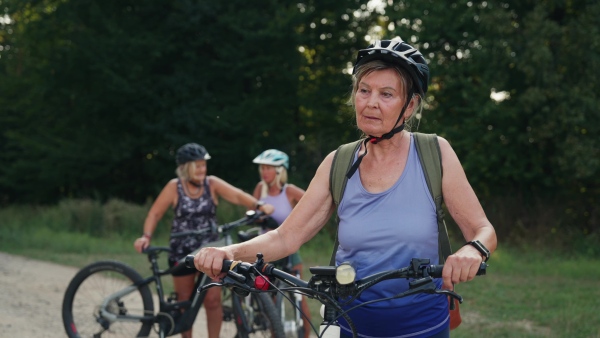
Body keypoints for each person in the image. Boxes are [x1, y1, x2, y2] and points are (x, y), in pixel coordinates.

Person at [193, 38, 498, 338]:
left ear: (411, 105)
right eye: (364, 91)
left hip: (423, 327)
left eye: (387, 94)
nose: (371, 102)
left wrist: (472, 250)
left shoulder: (435, 153)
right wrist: (227, 251)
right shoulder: (337, 163)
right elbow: (286, 237)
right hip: (351, 326)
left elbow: (483, 229)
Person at [133, 142, 274, 338]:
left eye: (203, 165)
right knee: (185, 303)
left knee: (213, 301)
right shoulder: (174, 187)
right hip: (182, 252)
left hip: (211, 249)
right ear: (185, 167)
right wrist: (146, 236)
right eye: (197, 165)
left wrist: (259, 205)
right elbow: (155, 214)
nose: (202, 169)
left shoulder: (212, 183)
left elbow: (237, 195)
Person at [251, 149, 312, 338]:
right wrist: (259, 219)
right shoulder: (259, 189)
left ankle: (306, 334)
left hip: (289, 249)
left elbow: (314, 205)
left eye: (268, 168)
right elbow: (251, 213)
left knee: (299, 297)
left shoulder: (290, 191)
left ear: (279, 171)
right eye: (262, 168)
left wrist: (298, 227)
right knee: (271, 301)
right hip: (266, 250)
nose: (264, 172)